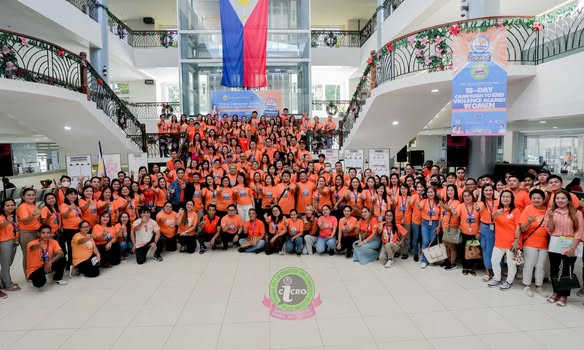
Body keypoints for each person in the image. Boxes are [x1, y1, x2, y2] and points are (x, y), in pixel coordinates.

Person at [544, 190, 583, 306]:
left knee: (567, 270)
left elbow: (579, 232)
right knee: (555, 269)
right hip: (555, 243)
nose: (560, 201)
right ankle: (556, 292)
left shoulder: (576, 213)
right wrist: (550, 217)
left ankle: (564, 295)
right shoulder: (551, 212)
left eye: (563, 198)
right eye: (557, 198)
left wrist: (572, 248)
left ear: (568, 200)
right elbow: (550, 230)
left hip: (570, 243)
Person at [488, 190, 521, 291]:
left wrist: (516, 240)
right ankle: (497, 278)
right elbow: (492, 218)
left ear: (511, 199)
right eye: (503, 197)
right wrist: (497, 213)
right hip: (499, 241)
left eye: (508, 197)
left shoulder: (516, 211)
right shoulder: (497, 209)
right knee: (494, 261)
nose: (505, 198)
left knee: (511, 264)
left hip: (511, 243)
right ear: (500, 198)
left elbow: (518, 227)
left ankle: (509, 281)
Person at [519, 189, 548, 297]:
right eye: (534, 198)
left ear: (543, 199)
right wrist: (529, 222)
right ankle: (527, 285)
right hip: (530, 242)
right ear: (531, 199)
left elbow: (551, 227)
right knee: (529, 264)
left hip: (544, 243)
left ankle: (538, 286)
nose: (536, 200)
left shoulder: (547, 210)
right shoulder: (528, 209)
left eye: (538, 198)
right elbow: (522, 228)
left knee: (540, 266)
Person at [452, 190, 481, 275]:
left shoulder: (476, 205)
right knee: (464, 251)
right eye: (465, 196)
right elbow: (456, 214)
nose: (467, 198)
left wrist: (479, 232)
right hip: (464, 232)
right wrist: (454, 212)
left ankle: (471, 267)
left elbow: (481, 219)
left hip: (475, 232)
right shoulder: (461, 206)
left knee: (473, 251)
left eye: (469, 195)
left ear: (472, 196)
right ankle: (465, 267)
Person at [16, 188, 42, 274]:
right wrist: (32, 215)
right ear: (23, 197)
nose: (31, 197)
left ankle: (35, 271)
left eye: (33, 195)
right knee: (28, 255)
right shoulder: (22, 207)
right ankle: (28, 274)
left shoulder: (33, 205)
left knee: (35, 253)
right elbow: (25, 221)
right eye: (28, 195)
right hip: (27, 233)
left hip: (36, 231)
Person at [475, 184, 497, 282]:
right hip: (486, 227)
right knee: (486, 250)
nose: (488, 192)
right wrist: (479, 195)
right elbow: (476, 208)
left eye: (490, 190)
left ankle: (497, 272)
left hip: (498, 228)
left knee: (497, 250)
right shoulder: (481, 203)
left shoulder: (497, 201)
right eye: (486, 190)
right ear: (483, 192)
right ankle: (488, 272)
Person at [417, 186, 442, 269]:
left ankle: (430, 259)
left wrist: (439, 226)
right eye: (428, 192)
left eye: (431, 192)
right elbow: (420, 207)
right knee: (425, 241)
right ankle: (424, 260)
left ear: (435, 193)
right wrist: (419, 199)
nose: (430, 194)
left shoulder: (439, 202)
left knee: (432, 241)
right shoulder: (424, 201)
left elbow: (441, 216)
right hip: (425, 223)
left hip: (435, 223)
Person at [0, 199, 19, 295]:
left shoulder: (13, 216)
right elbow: (1, 226)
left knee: (8, 264)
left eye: (12, 205)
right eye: (7, 205)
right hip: (4, 242)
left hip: (12, 241)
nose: (10, 207)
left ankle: (2, 283)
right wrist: (7, 221)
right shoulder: (1, 216)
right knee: (5, 265)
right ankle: (8, 284)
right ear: (3, 207)